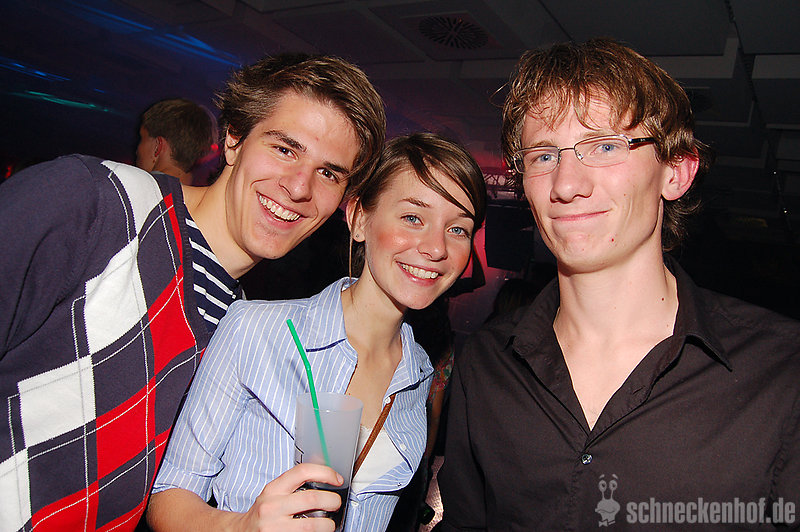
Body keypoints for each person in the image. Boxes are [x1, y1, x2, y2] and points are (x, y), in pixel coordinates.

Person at [0, 53, 385, 532]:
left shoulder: (241, 329)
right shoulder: (95, 202)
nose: (299, 187)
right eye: (285, 149)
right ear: (233, 139)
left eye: (329, 172)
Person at [438, 38, 800, 530]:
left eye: (605, 146)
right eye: (543, 156)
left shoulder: (781, 372)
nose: (566, 184)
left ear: (676, 171)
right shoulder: (486, 364)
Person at [146, 132, 487, 532]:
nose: (436, 248)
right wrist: (242, 527)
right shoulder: (257, 329)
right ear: (359, 218)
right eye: (413, 218)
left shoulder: (419, 373)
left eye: (458, 229)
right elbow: (168, 497)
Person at [135, 98, 217, 185]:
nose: (137, 150)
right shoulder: (203, 191)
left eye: (141, 139)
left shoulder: (134, 187)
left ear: (157, 147)